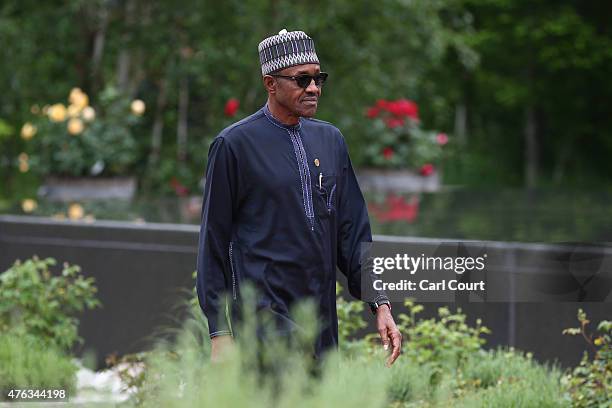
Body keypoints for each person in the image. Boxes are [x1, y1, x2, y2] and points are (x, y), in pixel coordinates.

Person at [196, 29, 402, 366]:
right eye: (301, 79)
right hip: (262, 317)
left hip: (320, 317)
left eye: (318, 78)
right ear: (270, 84)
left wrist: (379, 302)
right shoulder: (234, 146)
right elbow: (213, 242)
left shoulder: (330, 140)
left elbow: (352, 234)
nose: (313, 88)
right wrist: (219, 333)